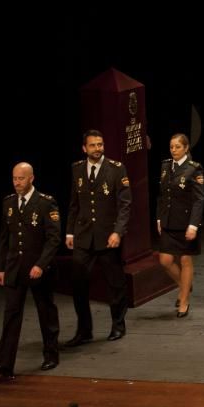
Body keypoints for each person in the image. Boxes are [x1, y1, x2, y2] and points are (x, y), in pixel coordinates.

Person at [0, 163, 61, 378]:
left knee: (45, 311)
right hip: (14, 268)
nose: (17, 182)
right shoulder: (9, 203)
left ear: (31, 178)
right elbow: (4, 238)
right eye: (14, 178)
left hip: (37, 268)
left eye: (21, 178)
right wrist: (1, 267)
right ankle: (4, 363)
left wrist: (41, 264)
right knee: (11, 314)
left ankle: (51, 354)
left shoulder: (45, 203)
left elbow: (53, 239)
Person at [62, 130, 132, 346]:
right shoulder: (77, 169)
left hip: (107, 235)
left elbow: (125, 204)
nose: (97, 149)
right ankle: (84, 330)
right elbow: (74, 203)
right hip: (83, 236)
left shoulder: (116, 169)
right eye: (92, 145)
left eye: (100, 145)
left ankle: (118, 325)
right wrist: (70, 231)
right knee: (79, 282)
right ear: (84, 148)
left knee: (115, 283)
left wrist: (117, 232)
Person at [156, 133, 204, 318]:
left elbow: (199, 199)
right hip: (168, 220)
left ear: (186, 148)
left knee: (185, 260)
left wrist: (194, 225)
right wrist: (159, 218)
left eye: (177, 147)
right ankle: (185, 285)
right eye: (171, 147)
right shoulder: (166, 166)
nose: (174, 150)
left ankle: (184, 301)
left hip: (186, 223)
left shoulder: (194, 169)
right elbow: (162, 195)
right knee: (165, 260)